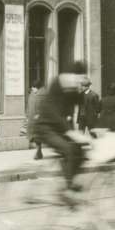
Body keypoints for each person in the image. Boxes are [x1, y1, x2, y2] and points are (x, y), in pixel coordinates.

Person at [31, 62, 88, 192]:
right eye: (78, 77)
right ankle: (68, 185)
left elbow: (81, 103)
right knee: (68, 149)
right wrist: (70, 132)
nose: (80, 80)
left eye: (82, 78)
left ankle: (68, 178)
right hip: (45, 127)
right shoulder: (57, 85)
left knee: (80, 152)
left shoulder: (73, 90)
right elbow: (54, 114)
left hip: (59, 128)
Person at [26, 82, 44, 160]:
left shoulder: (42, 96)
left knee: (38, 136)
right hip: (31, 119)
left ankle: (38, 152)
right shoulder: (32, 95)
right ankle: (39, 152)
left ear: (37, 88)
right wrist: (27, 116)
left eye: (34, 87)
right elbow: (28, 106)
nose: (32, 89)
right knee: (34, 137)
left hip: (39, 120)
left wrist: (39, 114)